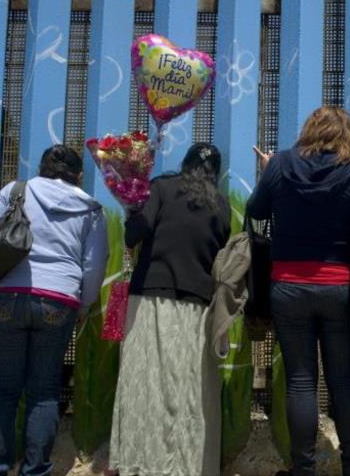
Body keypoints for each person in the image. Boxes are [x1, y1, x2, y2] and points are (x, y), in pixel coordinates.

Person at [247, 106, 350, 476]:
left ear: (309, 130)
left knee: (301, 381)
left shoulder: (282, 165)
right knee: (342, 379)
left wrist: (270, 171)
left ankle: (303, 469)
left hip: (288, 285)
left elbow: (257, 211)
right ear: (347, 134)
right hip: (339, 286)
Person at [0, 145, 109, 476]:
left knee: (1, 389)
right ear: (78, 176)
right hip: (59, 300)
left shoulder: (15, 192)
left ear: (42, 168)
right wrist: (84, 305)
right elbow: (93, 266)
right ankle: (35, 470)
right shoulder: (91, 209)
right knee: (44, 391)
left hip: (4, 295)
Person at [109, 142, 230, 476]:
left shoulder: (161, 187)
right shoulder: (221, 204)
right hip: (198, 309)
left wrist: (132, 211)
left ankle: (142, 461)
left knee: (146, 382)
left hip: (151, 299)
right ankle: (188, 464)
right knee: (190, 387)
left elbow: (136, 234)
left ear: (185, 163)